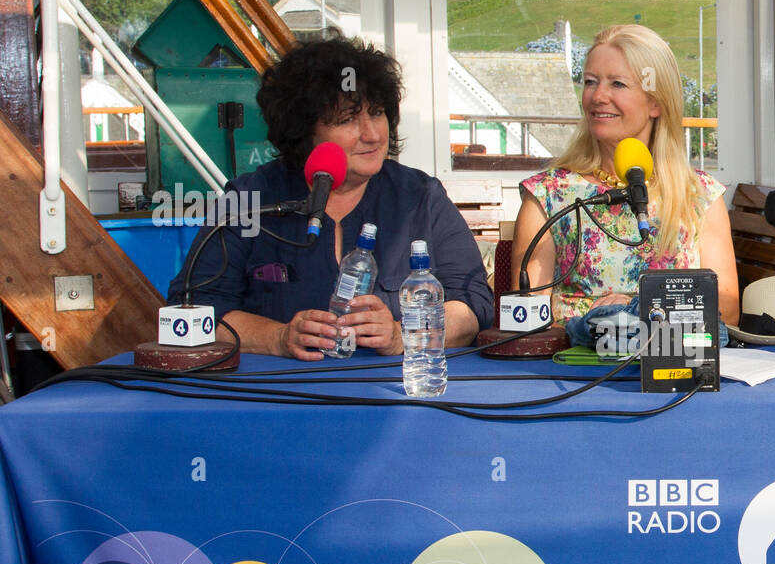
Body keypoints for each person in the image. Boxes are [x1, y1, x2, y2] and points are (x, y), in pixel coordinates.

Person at [167, 37, 494, 360]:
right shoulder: (249, 199)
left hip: (397, 396)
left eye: (377, 113)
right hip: (279, 399)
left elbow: (474, 304)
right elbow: (194, 313)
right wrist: (277, 338)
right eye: (347, 119)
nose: (373, 134)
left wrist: (403, 334)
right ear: (303, 130)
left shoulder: (421, 196)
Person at [512, 24, 739, 326]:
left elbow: (727, 310)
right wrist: (600, 322)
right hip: (575, 369)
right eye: (591, 82)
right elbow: (526, 317)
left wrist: (638, 309)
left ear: (656, 102)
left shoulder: (698, 195)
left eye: (617, 84)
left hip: (673, 367)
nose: (598, 96)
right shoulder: (548, 195)